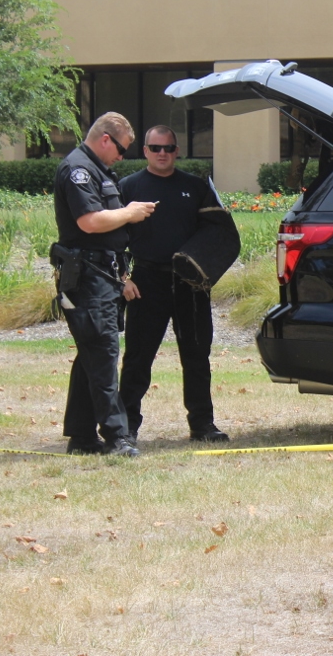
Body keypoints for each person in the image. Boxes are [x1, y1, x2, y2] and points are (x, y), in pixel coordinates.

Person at [53, 112, 156, 457]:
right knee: (103, 355)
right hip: (87, 279)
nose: (123, 157)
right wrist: (129, 212)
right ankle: (117, 437)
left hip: (103, 277)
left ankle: (82, 437)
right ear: (105, 139)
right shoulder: (79, 170)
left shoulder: (98, 169)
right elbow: (90, 221)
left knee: (91, 356)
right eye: (123, 150)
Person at [118, 125, 230, 443]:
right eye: (156, 148)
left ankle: (202, 425)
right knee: (138, 357)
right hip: (146, 281)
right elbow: (112, 238)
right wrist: (122, 279)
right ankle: (126, 426)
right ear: (145, 151)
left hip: (190, 283)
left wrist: (204, 273)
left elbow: (218, 234)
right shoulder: (129, 187)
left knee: (196, 355)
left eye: (168, 148)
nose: (162, 153)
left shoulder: (195, 187)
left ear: (177, 151)